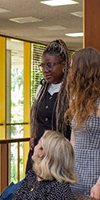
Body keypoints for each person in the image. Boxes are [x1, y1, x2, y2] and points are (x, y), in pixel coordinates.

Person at [65, 47, 100, 200]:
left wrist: (99, 184)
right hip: (77, 176)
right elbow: (73, 142)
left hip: (99, 177)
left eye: (72, 68)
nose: (69, 72)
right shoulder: (76, 99)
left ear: (84, 70)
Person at [26, 39, 71, 172]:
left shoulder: (71, 91)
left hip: (59, 158)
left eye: (50, 65)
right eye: (43, 66)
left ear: (63, 65)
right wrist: (33, 136)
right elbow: (34, 113)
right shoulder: (42, 89)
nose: (45, 70)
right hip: (37, 156)